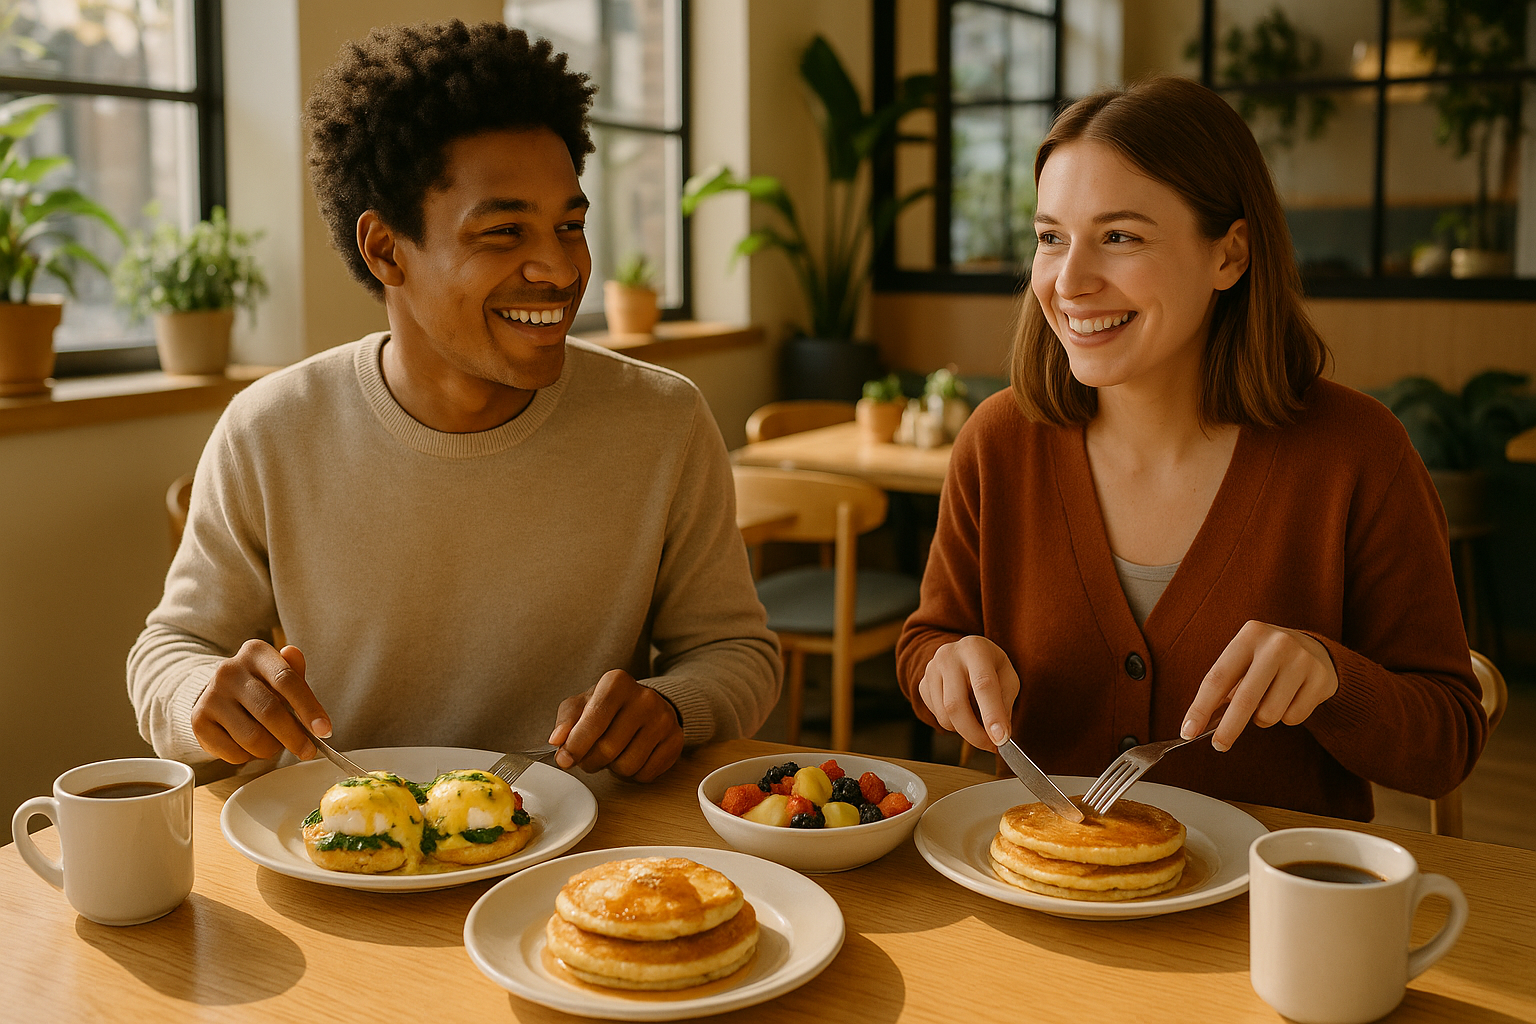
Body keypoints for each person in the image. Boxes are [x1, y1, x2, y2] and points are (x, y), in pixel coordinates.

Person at [128, 21, 780, 783]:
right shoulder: (270, 430)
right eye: (504, 232)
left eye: (570, 225)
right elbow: (167, 651)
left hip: (589, 866)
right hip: (348, 855)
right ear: (385, 250)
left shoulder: (664, 421)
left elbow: (737, 652)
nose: (560, 269)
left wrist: (673, 706)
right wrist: (202, 696)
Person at [896, 76, 1486, 820]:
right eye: (1051, 237)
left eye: (1120, 237)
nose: (1068, 282)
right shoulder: (1000, 440)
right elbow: (929, 638)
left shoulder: (1357, 453)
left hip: (1264, 918)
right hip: (1037, 899)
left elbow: (1448, 744)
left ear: (1230, 256)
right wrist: (940, 666)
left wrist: (1334, 678)